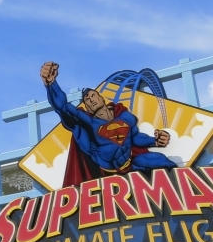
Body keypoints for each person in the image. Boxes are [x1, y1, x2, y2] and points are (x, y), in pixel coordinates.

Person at [40, 61, 176, 187]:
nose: (90, 99)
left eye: (93, 95)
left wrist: (154, 141)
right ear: (86, 107)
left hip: (131, 164)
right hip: (106, 176)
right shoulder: (86, 123)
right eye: (87, 100)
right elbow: (62, 107)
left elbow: (135, 137)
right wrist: (51, 85)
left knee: (160, 160)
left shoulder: (125, 116)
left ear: (101, 98)